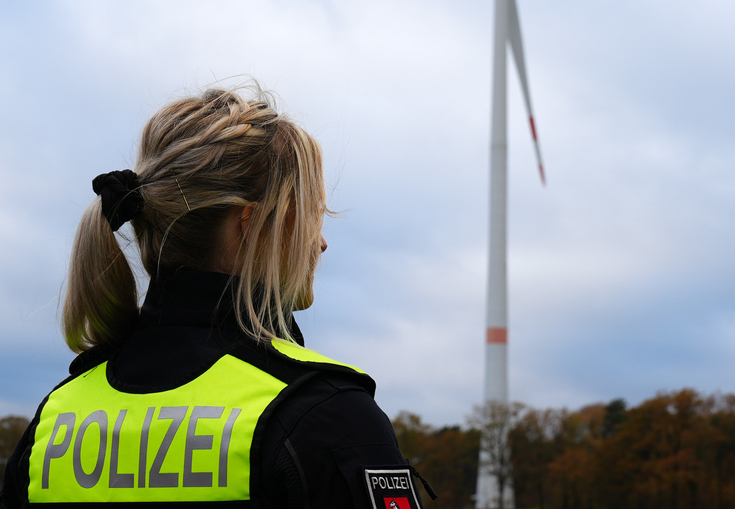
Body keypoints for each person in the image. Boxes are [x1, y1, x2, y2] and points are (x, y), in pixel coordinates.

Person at [0, 86, 433, 509]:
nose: (320, 244)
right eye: (309, 217)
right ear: (252, 225)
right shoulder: (323, 412)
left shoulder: (55, 421)